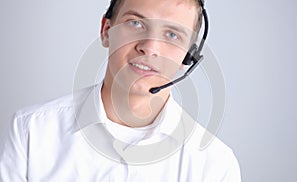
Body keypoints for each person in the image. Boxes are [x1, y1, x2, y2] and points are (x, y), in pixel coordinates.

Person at [0, 0, 241, 181]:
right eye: (135, 23)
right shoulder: (31, 131)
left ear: (188, 56)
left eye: (171, 34)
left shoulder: (215, 164)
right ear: (106, 30)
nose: (149, 47)